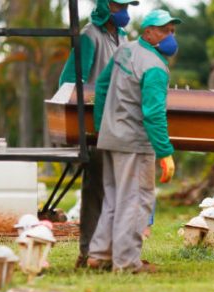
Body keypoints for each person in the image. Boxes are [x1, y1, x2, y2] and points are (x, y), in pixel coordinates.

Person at [87, 9, 181, 274]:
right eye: (164, 30)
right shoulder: (155, 67)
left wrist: (100, 126)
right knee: (137, 199)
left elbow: (102, 86)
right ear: (148, 32)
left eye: (172, 31)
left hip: (112, 137)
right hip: (134, 142)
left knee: (115, 198)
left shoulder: (124, 51)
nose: (170, 36)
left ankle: (100, 254)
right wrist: (165, 151)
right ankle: (127, 262)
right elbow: (153, 113)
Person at [58, 0, 139, 270]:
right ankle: (88, 252)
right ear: (105, 5)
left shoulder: (124, 36)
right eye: (119, 6)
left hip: (120, 122)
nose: (124, 11)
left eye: (127, 6)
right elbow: (70, 82)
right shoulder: (88, 36)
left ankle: (111, 251)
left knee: (116, 190)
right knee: (96, 189)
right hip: (96, 124)